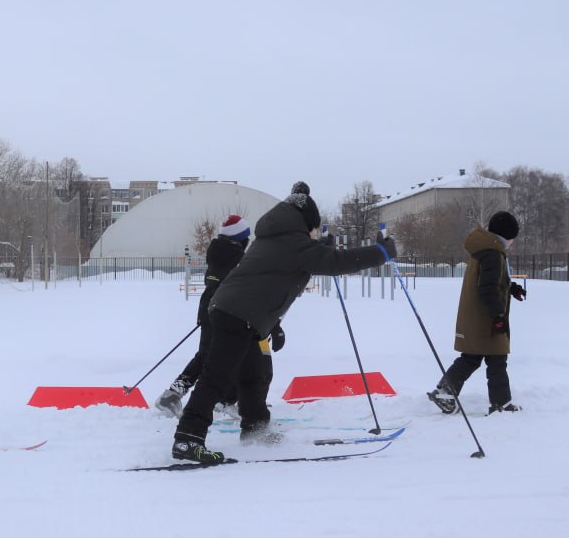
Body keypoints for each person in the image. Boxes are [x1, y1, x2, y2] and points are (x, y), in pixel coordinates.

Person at [171, 182, 396, 464]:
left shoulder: (277, 236)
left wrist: (318, 249)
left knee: (254, 375)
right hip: (237, 313)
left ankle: (255, 429)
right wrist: (381, 253)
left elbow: (302, 263)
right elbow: (335, 262)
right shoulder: (292, 242)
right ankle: (188, 438)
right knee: (217, 377)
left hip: (241, 313)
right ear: (305, 223)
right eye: (312, 229)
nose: (312, 234)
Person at [154, 215, 285, 419]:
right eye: (246, 237)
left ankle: (181, 395)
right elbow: (252, 293)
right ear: (241, 238)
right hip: (230, 313)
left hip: (210, 309)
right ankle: (217, 400)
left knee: (210, 355)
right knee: (232, 357)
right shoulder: (238, 259)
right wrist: (274, 325)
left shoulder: (218, 253)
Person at [427, 210, 527, 416]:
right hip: (486, 319)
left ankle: (445, 392)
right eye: (512, 238)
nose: (513, 242)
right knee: (496, 359)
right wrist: (498, 316)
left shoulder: (485, 250)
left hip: (477, 316)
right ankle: (501, 404)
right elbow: (488, 288)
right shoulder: (493, 254)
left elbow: (492, 281)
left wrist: (511, 287)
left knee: (472, 357)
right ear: (506, 236)